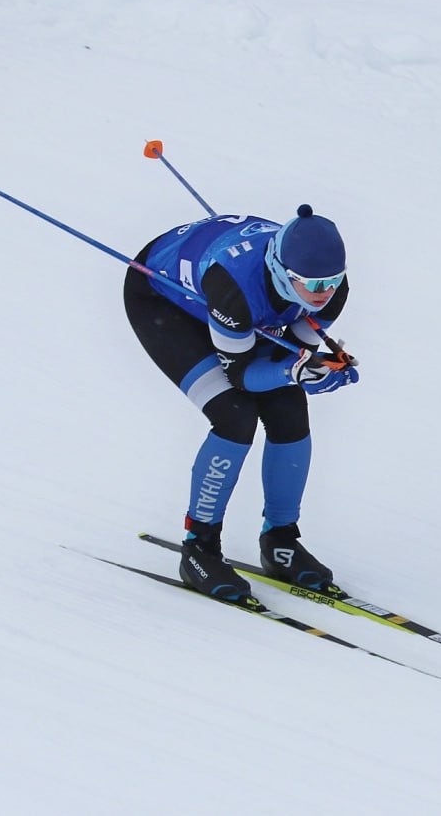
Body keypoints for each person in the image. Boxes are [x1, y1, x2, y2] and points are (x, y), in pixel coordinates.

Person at [124, 205, 359, 601]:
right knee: (234, 415)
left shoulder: (333, 292)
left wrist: (313, 369)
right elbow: (241, 376)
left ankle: (280, 539)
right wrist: (294, 372)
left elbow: (293, 358)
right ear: (285, 272)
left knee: (289, 410)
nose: (323, 295)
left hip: (230, 302)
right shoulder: (236, 288)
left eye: (331, 282)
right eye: (312, 285)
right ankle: (199, 546)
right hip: (163, 300)